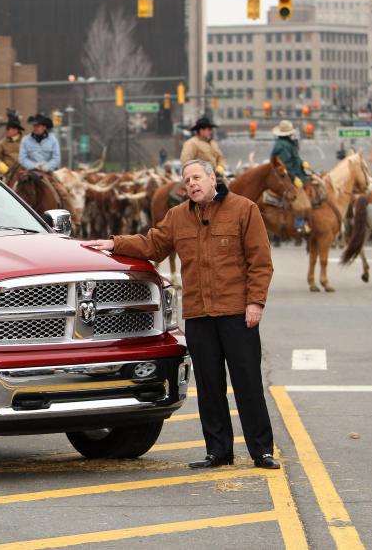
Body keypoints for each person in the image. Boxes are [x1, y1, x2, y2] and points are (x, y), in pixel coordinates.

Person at [84, 159, 280, 471]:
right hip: (199, 315)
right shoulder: (177, 217)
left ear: (213, 178)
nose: (191, 183)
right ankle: (218, 452)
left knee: (248, 384)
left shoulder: (244, 210)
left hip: (236, 313)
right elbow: (152, 244)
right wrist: (113, 243)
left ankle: (262, 450)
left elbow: (260, 261)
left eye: (197, 177)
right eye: (187, 179)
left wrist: (255, 302)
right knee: (209, 385)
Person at [0, 116, 24, 180]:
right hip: (8, 174)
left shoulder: (25, 141)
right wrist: (0, 164)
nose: (6, 131)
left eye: (8, 129)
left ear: (16, 130)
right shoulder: (3, 143)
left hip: (23, 172)